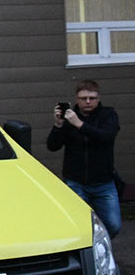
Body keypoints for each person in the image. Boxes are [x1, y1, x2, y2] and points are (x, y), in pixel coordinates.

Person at [47, 79, 122, 237]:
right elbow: (52, 146)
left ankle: (100, 247)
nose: (88, 102)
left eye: (92, 98)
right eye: (83, 98)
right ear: (77, 99)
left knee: (113, 224)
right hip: (76, 181)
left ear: (98, 98)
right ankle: (90, 251)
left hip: (104, 182)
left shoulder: (108, 115)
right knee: (79, 225)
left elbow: (106, 136)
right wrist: (58, 125)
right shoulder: (69, 118)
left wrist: (79, 124)